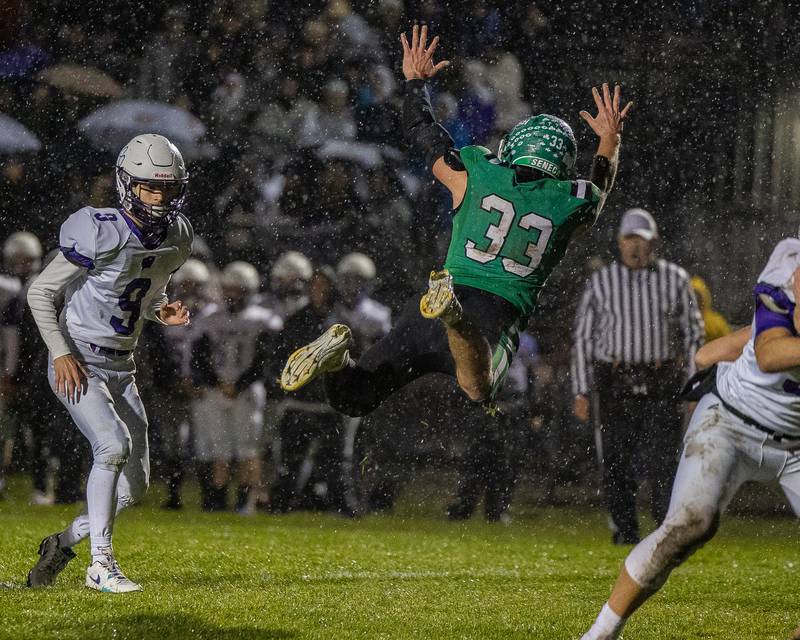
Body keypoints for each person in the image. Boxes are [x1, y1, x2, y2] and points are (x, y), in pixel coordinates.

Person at [280, 25, 631, 417]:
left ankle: (336, 360)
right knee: (479, 388)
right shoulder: (571, 202)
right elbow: (601, 190)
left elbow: (422, 133)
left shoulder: (478, 172)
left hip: (438, 296)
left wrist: (416, 82)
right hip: (492, 315)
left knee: (353, 396)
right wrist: (609, 142)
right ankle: (454, 318)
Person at [580, 237, 800, 640]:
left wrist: (723, 348)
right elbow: (771, 354)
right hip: (733, 420)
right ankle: (600, 633)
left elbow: (728, 346)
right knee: (689, 525)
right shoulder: (788, 261)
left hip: (797, 444)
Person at [25, 133, 193, 593]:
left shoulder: (178, 234)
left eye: (167, 188)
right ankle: (100, 565)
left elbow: (145, 288)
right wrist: (60, 352)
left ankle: (61, 543)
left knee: (135, 488)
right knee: (112, 447)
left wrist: (160, 311)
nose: (159, 197)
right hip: (80, 359)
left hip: (123, 366)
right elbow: (40, 291)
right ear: (127, 184)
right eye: (149, 186)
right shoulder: (99, 228)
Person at [571, 208, 704, 544]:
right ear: (619, 242)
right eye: (629, 239)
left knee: (664, 462)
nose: (634, 246)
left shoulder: (675, 279)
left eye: (641, 240)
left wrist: (693, 387)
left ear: (654, 242)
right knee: (615, 461)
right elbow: (584, 338)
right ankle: (625, 530)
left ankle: (664, 530)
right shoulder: (602, 282)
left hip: (661, 379)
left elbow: (694, 335)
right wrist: (581, 390)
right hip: (615, 380)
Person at [190, 261, 282, 513]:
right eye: (229, 289)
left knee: (247, 449)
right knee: (219, 448)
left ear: (250, 291)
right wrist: (215, 382)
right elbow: (199, 356)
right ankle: (217, 500)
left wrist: (239, 384)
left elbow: (265, 359)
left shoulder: (262, 319)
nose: (232, 295)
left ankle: (245, 501)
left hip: (247, 391)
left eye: (238, 290)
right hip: (216, 389)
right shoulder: (210, 317)